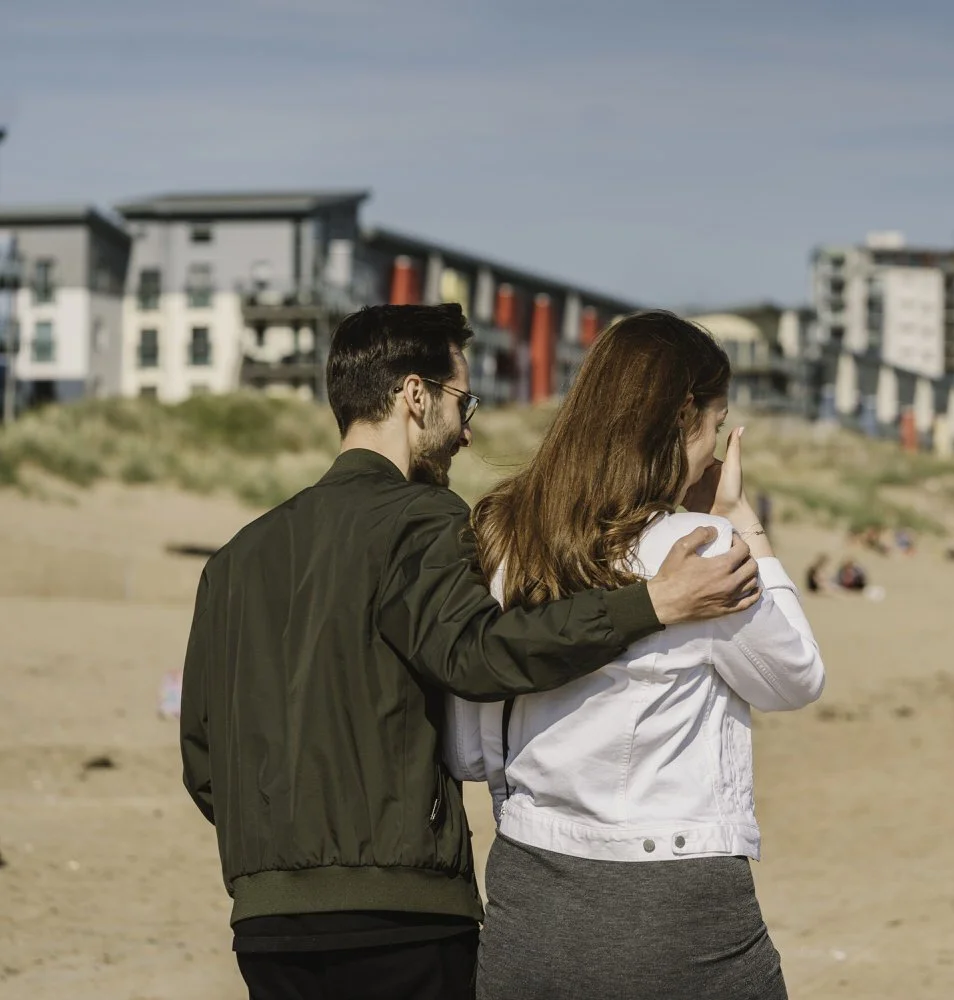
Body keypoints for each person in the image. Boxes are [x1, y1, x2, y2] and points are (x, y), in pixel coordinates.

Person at [179, 304, 758, 1000]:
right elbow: (480, 655)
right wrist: (650, 604)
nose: (468, 429)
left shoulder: (236, 558)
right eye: (463, 402)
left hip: (266, 923)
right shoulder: (418, 517)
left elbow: (203, 757)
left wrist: (278, 848)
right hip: (403, 912)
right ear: (415, 395)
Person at [448, 311, 825, 1000]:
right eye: (715, 425)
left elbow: (471, 749)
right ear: (682, 419)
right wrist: (742, 523)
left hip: (529, 892)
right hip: (672, 901)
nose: (714, 453)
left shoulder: (505, 535)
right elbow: (797, 676)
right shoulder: (696, 548)